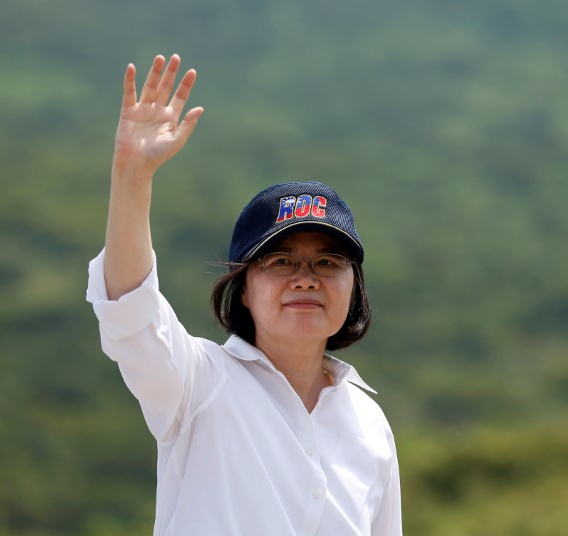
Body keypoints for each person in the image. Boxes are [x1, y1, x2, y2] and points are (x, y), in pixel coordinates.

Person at [86, 54, 402, 535]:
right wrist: (132, 174)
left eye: (328, 262)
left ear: (354, 287)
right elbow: (130, 308)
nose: (306, 278)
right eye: (280, 262)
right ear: (244, 290)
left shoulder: (369, 423)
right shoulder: (198, 383)